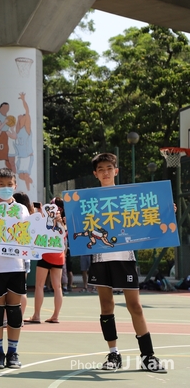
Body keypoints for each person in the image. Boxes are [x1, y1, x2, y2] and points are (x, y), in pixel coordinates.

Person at [87, 153, 166, 373]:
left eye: (109, 168)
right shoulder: (88, 200)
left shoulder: (128, 196)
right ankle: (113, 353)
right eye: (101, 169)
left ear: (116, 171)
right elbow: (79, 224)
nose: (105, 172)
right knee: (106, 306)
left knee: (135, 306)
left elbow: (146, 217)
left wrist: (166, 212)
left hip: (124, 258)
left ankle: (148, 355)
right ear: (95, 174)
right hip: (100, 259)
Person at [0, 168, 29, 370]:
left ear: (15, 186)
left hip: (16, 266)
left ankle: (13, 352)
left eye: (9, 185)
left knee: (14, 311)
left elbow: (30, 234)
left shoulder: (22, 209)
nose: (5, 188)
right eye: (1, 185)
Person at [25, 202, 64, 324]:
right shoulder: (62, 222)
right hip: (59, 255)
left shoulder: (45, 220)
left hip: (46, 254)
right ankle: (55, 316)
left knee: (39, 285)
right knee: (57, 287)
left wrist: (40, 212)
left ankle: (36, 315)